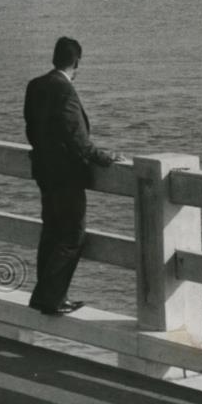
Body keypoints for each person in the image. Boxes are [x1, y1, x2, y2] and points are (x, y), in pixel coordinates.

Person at [24, 37, 124, 315]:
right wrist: (104, 157)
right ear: (77, 62)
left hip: (44, 172)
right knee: (71, 236)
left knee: (51, 233)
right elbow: (77, 139)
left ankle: (44, 295)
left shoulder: (35, 85)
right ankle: (52, 298)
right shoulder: (65, 92)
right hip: (66, 176)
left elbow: (31, 129)